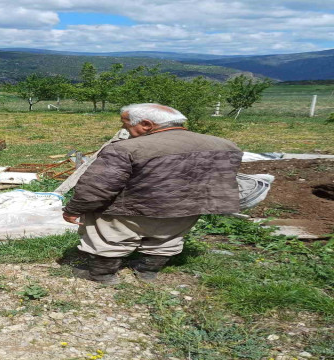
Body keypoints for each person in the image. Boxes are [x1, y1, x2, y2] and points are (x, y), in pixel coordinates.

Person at [62, 103, 242, 284]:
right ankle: (147, 271)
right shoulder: (226, 145)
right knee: (167, 240)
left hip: (130, 210)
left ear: (146, 124)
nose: (125, 130)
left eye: (126, 125)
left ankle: (102, 274)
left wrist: (75, 209)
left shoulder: (126, 148)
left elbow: (98, 186)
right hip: (187, 210)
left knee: (110, 238)